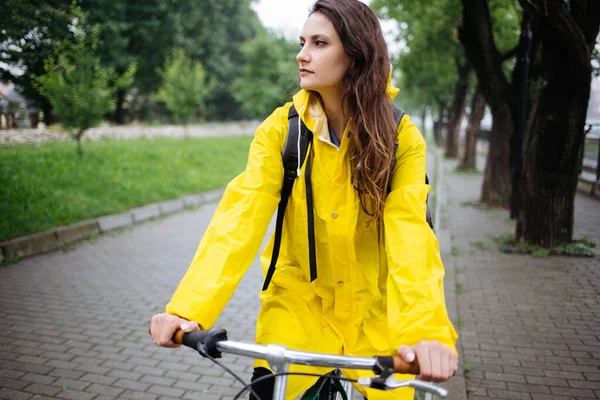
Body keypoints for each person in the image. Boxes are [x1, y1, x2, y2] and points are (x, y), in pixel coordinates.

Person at [150, 0, 458, 399]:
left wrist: (426, 334)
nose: (301, 53)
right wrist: (187, 310)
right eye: (302, 41)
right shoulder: (281, 131)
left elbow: (411, 236)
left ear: (356, 54)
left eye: (319, 42)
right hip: (295, 312)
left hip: (376, 320)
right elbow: (238, 220)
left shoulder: (401, 140)